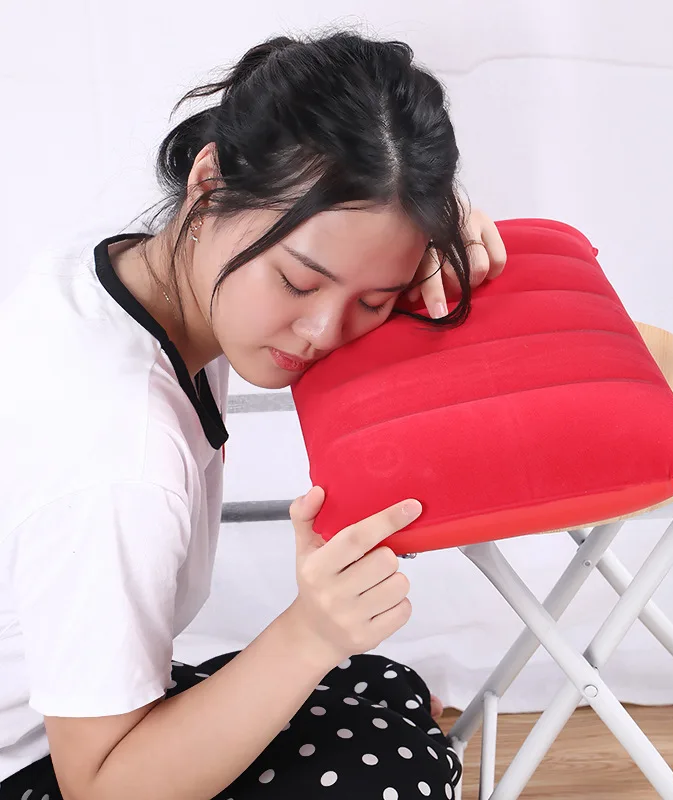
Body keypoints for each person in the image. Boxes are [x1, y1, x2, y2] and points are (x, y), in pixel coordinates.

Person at [0, 31, 506, 800]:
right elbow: (100, 788)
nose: (322, 331)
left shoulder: (124, 277)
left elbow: (353, 220)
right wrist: (310, 632)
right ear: (209, 184)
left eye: (373, 299)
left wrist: (427, 222)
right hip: (51, 765)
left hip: (63, 705)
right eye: (299, 282)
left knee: (384, 689)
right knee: (394, 773)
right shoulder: (120, 458)